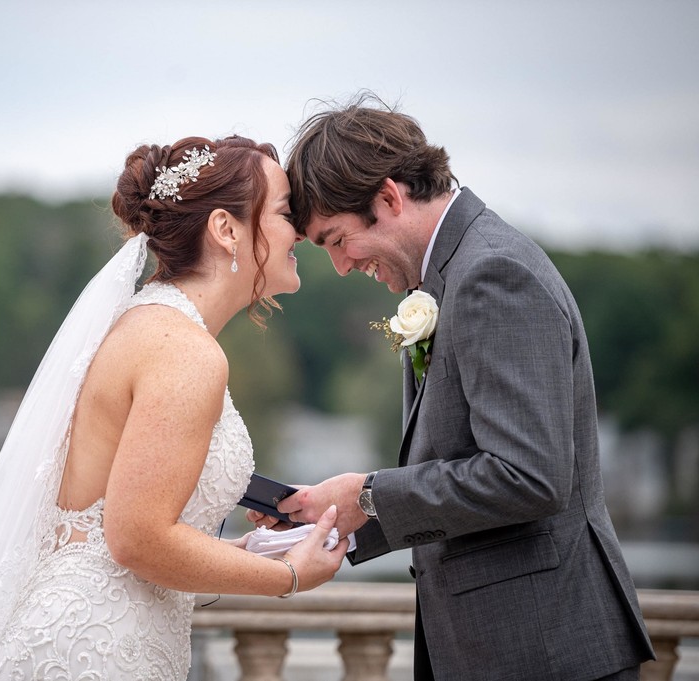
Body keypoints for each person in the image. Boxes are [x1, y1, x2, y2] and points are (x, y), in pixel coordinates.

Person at [0, 135, 348, 680]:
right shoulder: (184, 350)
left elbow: (123, 525)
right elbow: (136, 538)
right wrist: (287, 575)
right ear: (225, 229)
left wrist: (248, 550)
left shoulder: (150, 325)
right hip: (94, 647)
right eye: (286, 213)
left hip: (95, 630)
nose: (302, 233)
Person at [250, 93, 655, 680]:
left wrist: (367, 493)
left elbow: (529, 476)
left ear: (388, 197)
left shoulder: (492, 274)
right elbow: (470, 470)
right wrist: (336, 512)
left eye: (337, 240)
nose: (340, 266)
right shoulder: (454, 273)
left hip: (544, 651)